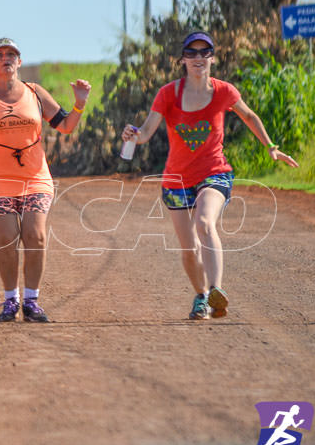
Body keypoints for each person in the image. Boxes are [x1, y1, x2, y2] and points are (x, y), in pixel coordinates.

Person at [121, 30, 299, 320]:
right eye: (191, 53)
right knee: (189, 249)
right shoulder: (168, 94)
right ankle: (201, 296)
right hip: (176, 181)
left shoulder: (223, 91)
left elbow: (250, 116)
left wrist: (271, 148)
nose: (198, 58)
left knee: (205, 222)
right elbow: (146, 132)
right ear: (182, 60)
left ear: (212, 58)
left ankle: (216, 290)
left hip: (214, 174)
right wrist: (133, 134)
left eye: (204, 53)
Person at [0, 38, 91, 323]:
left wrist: (79, 104)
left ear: (19, 62)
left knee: (36, 235)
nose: (6, 58)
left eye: (11, 54)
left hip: (34, 177)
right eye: (0, 54)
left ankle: (32, 301)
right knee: (7, 237)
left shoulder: (35, 93)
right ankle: (11, 300)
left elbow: (66, 126)